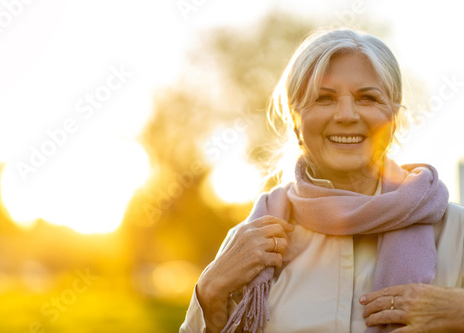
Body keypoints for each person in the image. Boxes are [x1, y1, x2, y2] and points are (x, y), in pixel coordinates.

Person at [179, 28, 464, 333]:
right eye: (324, 99)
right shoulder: (252, 241)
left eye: (367, 98)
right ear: (295, 119)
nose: (346, 115)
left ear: (394, 115)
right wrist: (207, 296)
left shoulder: (455, 229)